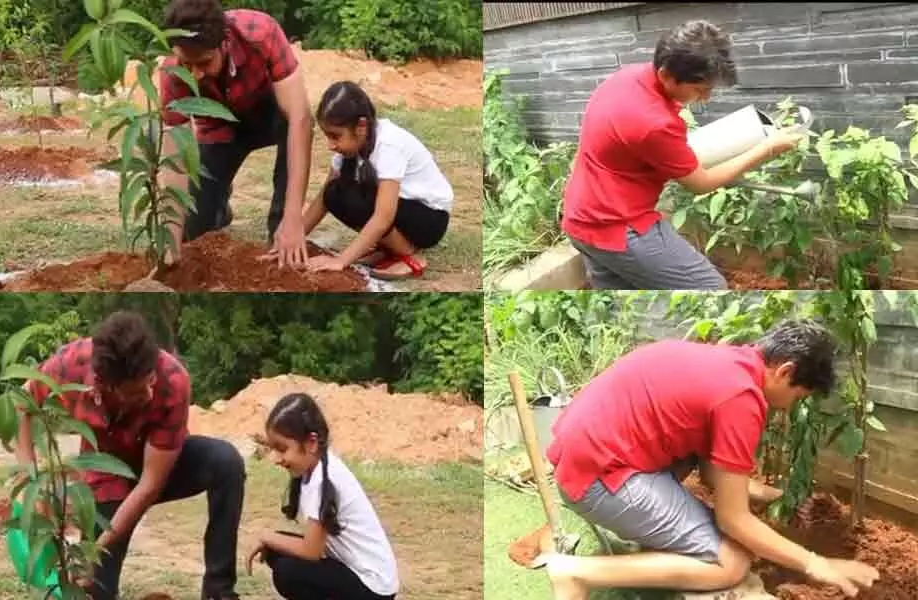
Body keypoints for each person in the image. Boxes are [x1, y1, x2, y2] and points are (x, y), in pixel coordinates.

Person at [539, 320, 880, 599]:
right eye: (798, 395)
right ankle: (577, 573)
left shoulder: (729, 361)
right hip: (597, 479)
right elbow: (733, 519)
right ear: (785, 371)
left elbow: (711, 470)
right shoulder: (741, 398)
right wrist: (814, 563)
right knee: (731, 562)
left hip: (587, 456)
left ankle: (650, 541)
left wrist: (774, 496)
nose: (790, 406)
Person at [14, 311, 246, 600]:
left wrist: (96, 550)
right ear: (105, 384)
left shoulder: (172, 380)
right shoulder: (71, 365)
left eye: (150, 381)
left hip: (160, 464)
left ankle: (218, 591)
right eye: (137, 391)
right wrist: (30, 477)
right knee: (96, 589)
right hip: (105, 474)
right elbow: (23, 400)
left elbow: (149, 486)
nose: (149, 394)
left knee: (226, 462)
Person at [561, 20, 806, 289]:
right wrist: (767, 149)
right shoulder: (653, 122)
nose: (706, 98)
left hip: (579, 217)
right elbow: (701, 183)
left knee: (620, 291)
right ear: (666, 75)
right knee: (711, 288)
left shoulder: (628, 77)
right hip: (617, 228)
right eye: (701, 90)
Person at [158, 0, 313, 268]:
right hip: (219, 127)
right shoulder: (172, 72)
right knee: (193, 229)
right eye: (187, 64)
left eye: (204, 63)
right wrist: (171, 243)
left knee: (292, 123)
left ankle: (280, 231)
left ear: (224, 43)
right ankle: (218, 208)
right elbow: (177, 157)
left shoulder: (260, 33)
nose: (194, 75)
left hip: (270, 114)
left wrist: (293, 218)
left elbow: (300, 118)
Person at [246, 393, 399, 599]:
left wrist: (265, 536)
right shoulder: (317, 467)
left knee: (287, 572)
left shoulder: (325, 479)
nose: (277, 459)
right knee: (277, 551)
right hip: (359, 576)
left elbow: (311, 551)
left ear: (311, 442)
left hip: (373, 589)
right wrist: (271, 540)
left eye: (282, 449)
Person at [297, 81, 454, 280]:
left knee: (358, 199)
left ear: (361, 126)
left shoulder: (388, 145)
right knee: (334, 193)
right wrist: (295, 238)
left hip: (430, 218)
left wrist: (340, 261)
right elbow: (323, 200)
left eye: (335, 136)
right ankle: (387, 248)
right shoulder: (350, 148)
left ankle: (409, 255)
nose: (330, 145)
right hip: (402, 210)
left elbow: (383, 217)